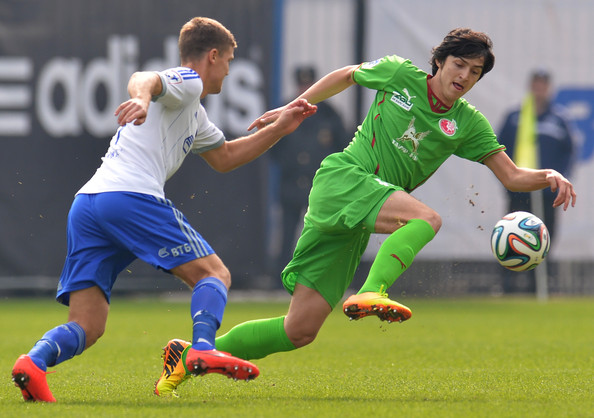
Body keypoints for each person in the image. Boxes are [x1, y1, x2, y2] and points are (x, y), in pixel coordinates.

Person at [154, 28, 577, 394]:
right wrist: (293, 107)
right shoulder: (400, 74)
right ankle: (372, 291)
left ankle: (189, 357)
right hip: (345, 179)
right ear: (439, 62)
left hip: (360, 210)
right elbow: (346, 75)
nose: (465, 76)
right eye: (459, 65)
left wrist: (548, 175)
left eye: (475, 72)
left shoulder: (467, 124)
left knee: (299, 330)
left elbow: (511, 176)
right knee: (427, 219)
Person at [11, 16, 316, 402]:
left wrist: (279, 128)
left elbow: (225, 157)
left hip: (89, 204)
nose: (228, 70)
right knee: (215, 274)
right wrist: (141, 99)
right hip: (129, 196)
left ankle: (33, 364)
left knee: (88, 325)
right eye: (228, 61)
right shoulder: (189, 82)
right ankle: (201, 348)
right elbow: (145, 78)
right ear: (213, 55)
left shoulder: (194, 113)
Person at [497, 70, 576, 292]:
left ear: (548, 88)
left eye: (543, 85)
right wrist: (506, 179)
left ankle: (538, 286)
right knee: (512, 234)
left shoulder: (559, 119)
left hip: (548, 193)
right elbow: (497, 151)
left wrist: (560, 179)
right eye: (536, 85)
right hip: (519, 191)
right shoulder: (515, 117)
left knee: (544, 236)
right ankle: (507, 286)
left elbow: (569, 152)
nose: (539, 89)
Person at [269, 66, 348, 276]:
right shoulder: (284, 111)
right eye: (302, 85)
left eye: (309, 85)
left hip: (320, 184)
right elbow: (271, 147)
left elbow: (345, 146)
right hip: (291, 183)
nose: (305, 89)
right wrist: (289, 164)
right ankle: (280, 278)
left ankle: (322, 275)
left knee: (322, 233)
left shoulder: (329, 114)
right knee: (287, 233)